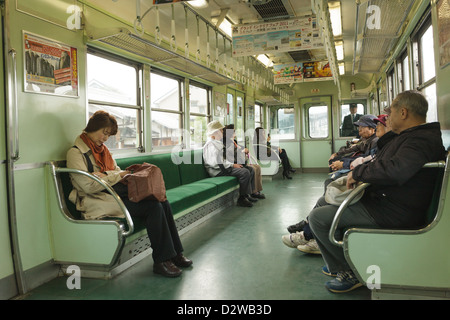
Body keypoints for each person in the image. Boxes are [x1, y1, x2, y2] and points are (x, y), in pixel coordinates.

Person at [307, 90, 446, 293]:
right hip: (385, 199)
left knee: (318, 218)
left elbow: (396, 170)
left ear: (404, 113)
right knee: (323, 202)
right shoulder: (409, 137)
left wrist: (359, 172)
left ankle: (349, 271)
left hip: (393, 210)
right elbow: (384, 159)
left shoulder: (419, 140)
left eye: (391, 113)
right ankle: (340, 262)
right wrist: (389, 133)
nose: (387, 118)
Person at [66, 110, 192, 278]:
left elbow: (117, 172)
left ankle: (175, 253)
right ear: (93, 127)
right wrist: (115, 176)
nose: (105, 139)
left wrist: (108, 176)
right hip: (97, 200)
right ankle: (161, 261)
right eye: (104, 133)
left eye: (108, 135)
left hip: (115, 195)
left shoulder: (104, 151)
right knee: (154, 207)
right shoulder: (75, 153)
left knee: (162, 201)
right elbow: (88, 186)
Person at [283, 114, 395, 255]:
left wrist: (345, 164)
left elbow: (369, 162)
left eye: (380, 125)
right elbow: (362, 156)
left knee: (331, 185)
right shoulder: (373, 142)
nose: (359, 131)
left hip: (372, 193)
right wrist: (339, 155)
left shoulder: (378, 143)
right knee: (326, 195)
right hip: (368, 183)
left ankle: (310, 233)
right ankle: (309, 226)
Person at [203, 120, 256, 207]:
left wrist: (233, 163)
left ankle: (247, 195)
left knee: (249, 169)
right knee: (244, 172)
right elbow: (216, 163)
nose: (222, 132)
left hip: (223, 168)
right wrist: (232, 165)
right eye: (221, 130)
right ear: (216, 132)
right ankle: (241, 199)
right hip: (217, 171)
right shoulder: (210, 145)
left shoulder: (217, 143)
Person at [223, 124, 265, 199]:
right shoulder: (226, 143)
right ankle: (250, 193)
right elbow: (232, 155)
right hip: (234, 163)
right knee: (251, 169)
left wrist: (244, 150)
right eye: (234, 132)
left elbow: (239, 149)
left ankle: (255, 191)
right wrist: (242, 152)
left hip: (239, 161)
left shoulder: (234, 142)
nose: (235, 134)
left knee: (257, 167)